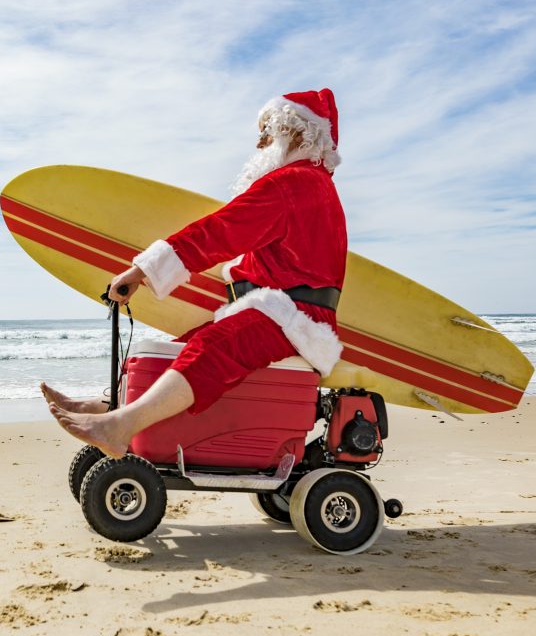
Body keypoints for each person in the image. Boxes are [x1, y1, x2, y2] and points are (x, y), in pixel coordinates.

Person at [41, 88, 347, 459]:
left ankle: (120, 427)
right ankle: (109, 406)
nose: (260, 142)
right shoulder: (311, 184)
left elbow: (220, 231)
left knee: (210, 348)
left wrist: (143, 270)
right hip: (283, 313)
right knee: (181, 347)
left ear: (296, 132)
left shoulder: (293, 183)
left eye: (268, 131)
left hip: (294, 318)